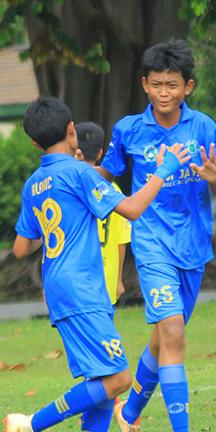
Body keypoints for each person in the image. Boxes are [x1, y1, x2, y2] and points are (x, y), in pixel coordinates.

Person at [5, 97, 190, 432]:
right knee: (119, 378)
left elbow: (21, 247)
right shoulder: (80, 172)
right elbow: (133, 209)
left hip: (61, 286)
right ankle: (29, 424)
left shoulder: (33, 183)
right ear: (72, 130)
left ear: (35, 144)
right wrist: (164, 170)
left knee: (104, 382)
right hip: (82, 288)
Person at [100, 39, 216, 432]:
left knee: (162, 340)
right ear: (144, 84)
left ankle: (129, 412)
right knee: (173, 332)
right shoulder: (128, 130)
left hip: (193, 247)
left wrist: (214, 179)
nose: (163, 93)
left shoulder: (205, 129)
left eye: (172, 85)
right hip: (151, 243)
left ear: (188, 86)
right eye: (156, 84)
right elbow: (107, 174)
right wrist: (71, 169)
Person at [75, 122, 131, 305]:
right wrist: (118, 279)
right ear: (100, 153)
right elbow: (121, 240)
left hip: (75, 278)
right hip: (106, 277)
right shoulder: (112, 190)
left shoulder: (68, 187)